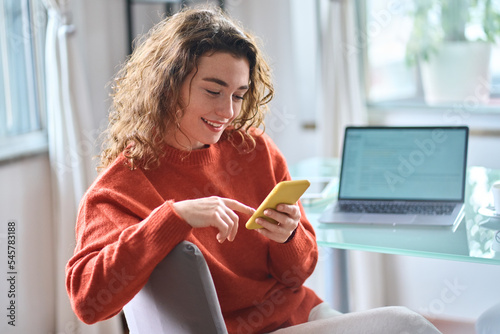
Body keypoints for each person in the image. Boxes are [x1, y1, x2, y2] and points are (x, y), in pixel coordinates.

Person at [65, 6, 442, 334]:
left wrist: (289, 238)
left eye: (238, 95)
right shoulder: (120, 188)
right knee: (408, 325)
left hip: (299, 314)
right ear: (167, 86)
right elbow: (88, 302)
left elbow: (297, 276)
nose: (228, 112)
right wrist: (173, 216)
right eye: (213, 91)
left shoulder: (253, 149)